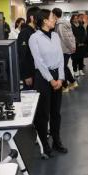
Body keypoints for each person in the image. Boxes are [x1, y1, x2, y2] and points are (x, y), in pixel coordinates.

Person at [29, 9, 68, 156]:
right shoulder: (34, 38)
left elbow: (61, 58)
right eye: (52, 17)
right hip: (43, 78)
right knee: (43, 114)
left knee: (56, 113)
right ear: (45, 21)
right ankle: (45, 146)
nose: (55, 19)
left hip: (57, 76)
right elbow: (39, 62)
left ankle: (57, 142)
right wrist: (51, 80)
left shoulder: (55, 36)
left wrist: (61, 78)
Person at [52, 8, 78, 91]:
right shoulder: (62, 23)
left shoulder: (60, 25)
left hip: (64, 50)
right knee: (64, 67)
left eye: (52, 15)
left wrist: (71, 48)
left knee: (62, 68)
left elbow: (65, 38)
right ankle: (72, 82)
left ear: (54, 15)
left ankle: (65, 86)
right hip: (65, 49)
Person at [17, 7, 41, 90]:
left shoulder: (35, 31)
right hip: (29, 73)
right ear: (31, 18)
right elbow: (22, 55)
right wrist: (26, 75)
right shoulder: (25, 33)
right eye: (39, 17)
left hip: (37, 70)